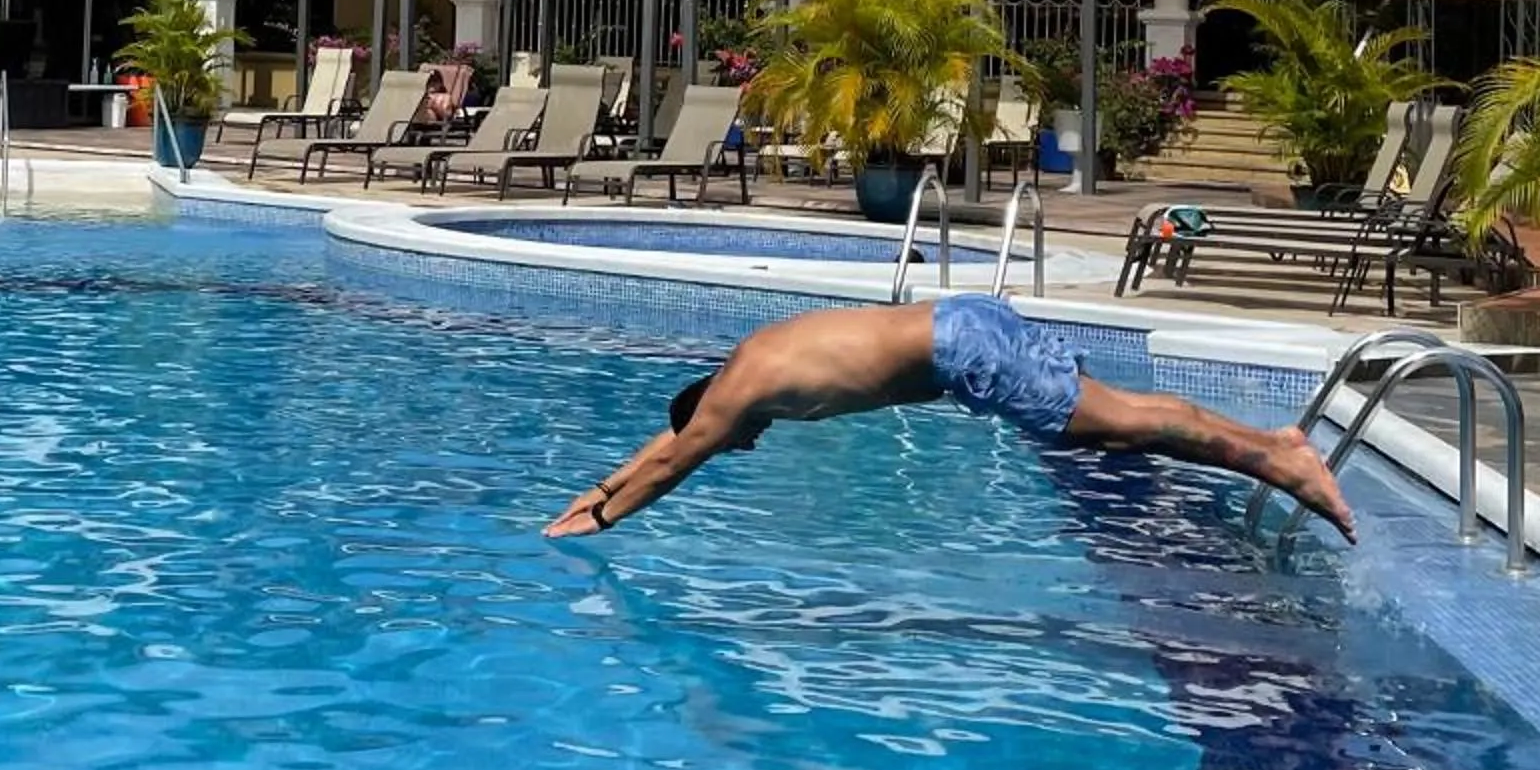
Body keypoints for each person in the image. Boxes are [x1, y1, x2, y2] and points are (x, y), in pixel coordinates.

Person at [545, 296, 1355, 542]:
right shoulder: (744, 363)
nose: (745, 443)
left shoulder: (732, 402)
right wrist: (596, 486)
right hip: (966, 319)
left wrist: (604, 518)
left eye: (738, 439)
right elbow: (672, 441)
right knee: (1123, 411)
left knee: (1115, 426)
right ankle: (1273, 442)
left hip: (964, 353)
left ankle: (1277, 464)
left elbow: (676, 459)